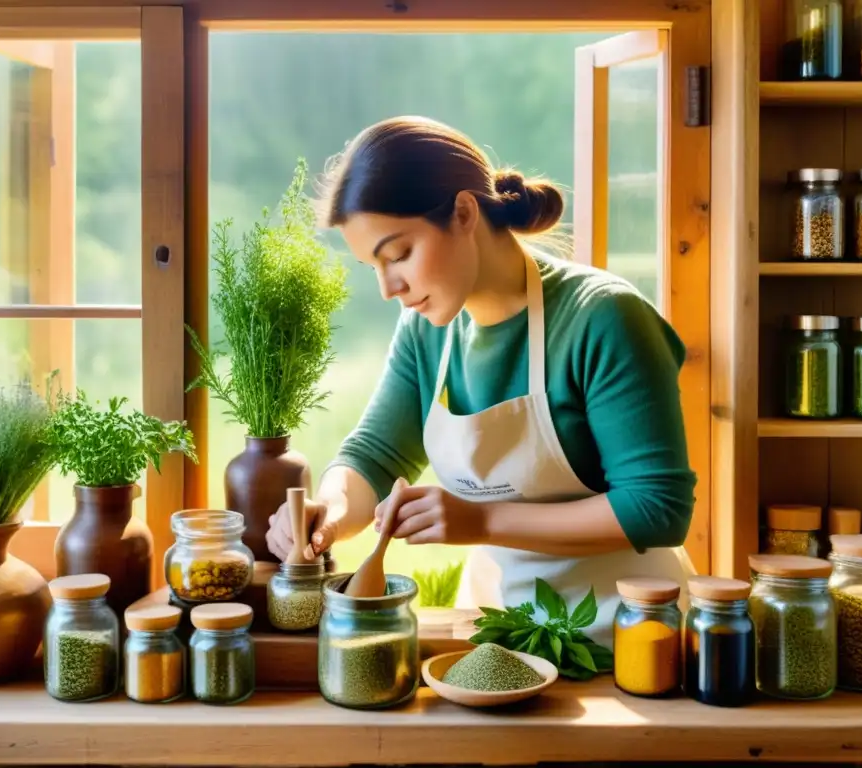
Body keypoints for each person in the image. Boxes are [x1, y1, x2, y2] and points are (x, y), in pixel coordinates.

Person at [265, 115, 697, 649]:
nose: (388, 287)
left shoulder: (603, 318)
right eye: (371, 267)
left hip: (634, 638)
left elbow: (656, 508)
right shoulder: (427, 330)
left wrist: (484, 521)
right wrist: (326, 514)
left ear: (465, 212)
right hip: (499, 636)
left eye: (398, 255)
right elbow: (375, 457)